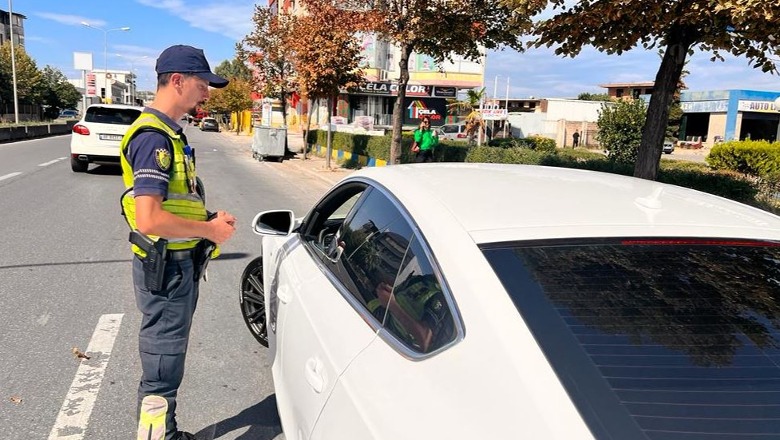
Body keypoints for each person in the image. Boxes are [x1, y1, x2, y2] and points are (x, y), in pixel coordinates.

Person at [119, 45, 237, 440]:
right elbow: (150, 217)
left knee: (167, 362)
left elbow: (174, 205)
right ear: (177, 81)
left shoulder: (169, 133)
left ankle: (164, 434)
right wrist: (210, 232)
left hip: (174, 264)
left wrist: (206, 218)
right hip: (166, 268)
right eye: (202, 84)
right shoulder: (153, 138)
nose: (207, 93)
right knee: (162, 368)